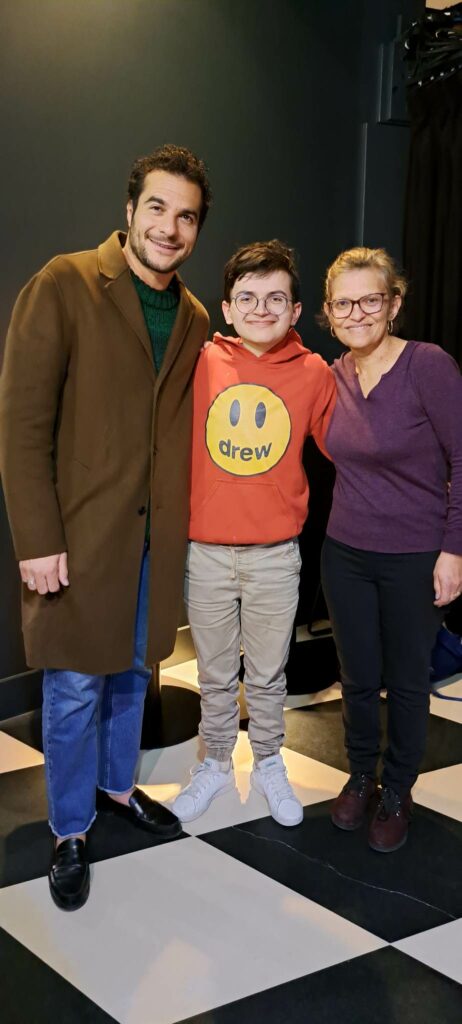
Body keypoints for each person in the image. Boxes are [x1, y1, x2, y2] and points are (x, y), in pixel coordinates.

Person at [0, 144, 211, 909]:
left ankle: (119, 790)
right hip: (78, 537)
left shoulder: (193, 315)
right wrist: (37, 539)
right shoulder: (63, 283)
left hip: (155, 541)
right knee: (73, 687)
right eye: (157, 207)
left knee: (134, 675)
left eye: (186, 215)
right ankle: (68, 828)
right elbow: (22, 424)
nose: (170, 226)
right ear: (129, 211)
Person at [172, 240, 336, 827]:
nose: (261, 309)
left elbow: (350, 445)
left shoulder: (315, 373)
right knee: (215, 674)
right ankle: (214, 763)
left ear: (295, 311)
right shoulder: (202, 360)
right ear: (226, 307)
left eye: (276, 298)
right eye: (248, 297)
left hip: (275, 554)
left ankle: (269, 761)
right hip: (208, 551)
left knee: (268, 673)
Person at [320, 246, 462, 852]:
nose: (357, 313)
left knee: (407, 680)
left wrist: (454, 551)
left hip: (414, 554)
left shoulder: (428, 366)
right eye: (344, 303)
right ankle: (360, 773)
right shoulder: (334, 376)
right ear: (328, 312)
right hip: (345, 551)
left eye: (370, 299)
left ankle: (398, 786)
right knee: (356, 677)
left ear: (394, 304)